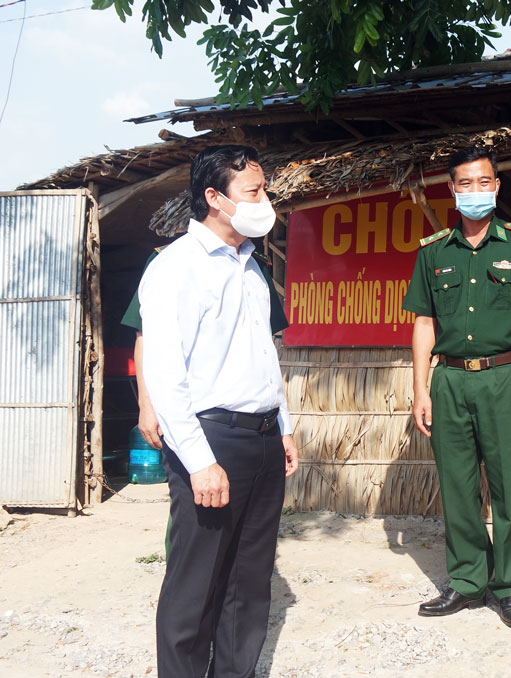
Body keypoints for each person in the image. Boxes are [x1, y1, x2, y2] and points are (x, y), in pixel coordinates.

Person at [138, 144, 300, 677]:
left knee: (248, 584)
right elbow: (166, 375)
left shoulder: (251, 266)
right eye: (252, 192)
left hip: (260, 441)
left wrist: (281, 427)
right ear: (214, 198)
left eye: (264, 190)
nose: (264, 201)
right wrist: (199, 459)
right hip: (212, 440)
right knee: (195, 585)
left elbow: (261, 357)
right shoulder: (175, 268)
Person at [402, 146, 511, 628]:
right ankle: (469, 581)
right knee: (458, 486)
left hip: (507, 377)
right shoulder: (433, 251)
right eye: (465, 184)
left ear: (497, 186)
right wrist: (421, 388)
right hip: (450, 379)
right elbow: (424, 323)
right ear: (451, 191)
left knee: (510, 485)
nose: (475, 191)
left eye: (484, 182)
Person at [122, 246, 290, 449]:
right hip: (203, 417)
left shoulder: (255, 265)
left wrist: (283, 425)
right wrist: (147, 405)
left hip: (259, 422)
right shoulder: (171, 260)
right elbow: (146, 339)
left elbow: (266, 347)